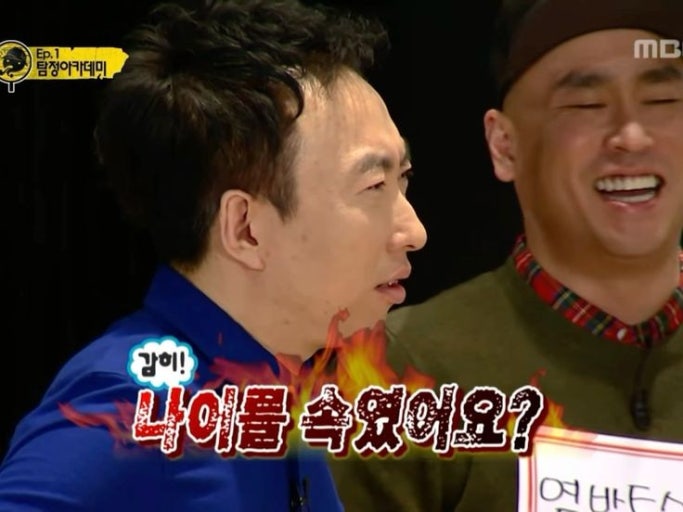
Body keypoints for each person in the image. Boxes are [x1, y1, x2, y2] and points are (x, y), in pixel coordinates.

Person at [0, 1, 427, 510]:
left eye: (402, 179)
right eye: (374, 185)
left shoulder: (276, 389)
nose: (414, 232)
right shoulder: (134, 409)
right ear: (245, 229)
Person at [329, 0, 683, 510]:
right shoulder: (402, 373)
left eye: (663, 99)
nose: (632, 135)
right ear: (504, 145)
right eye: (586, 105)